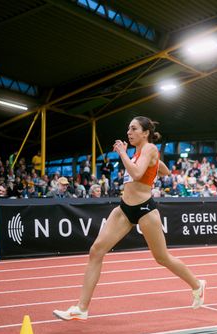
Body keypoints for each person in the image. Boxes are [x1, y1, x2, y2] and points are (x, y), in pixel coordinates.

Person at [54, 116, 205, 321]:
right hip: (124, 209)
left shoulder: (150, 148)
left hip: (145, 210)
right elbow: (164, 170)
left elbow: (135, 173)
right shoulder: (139, 153)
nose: (129, 132)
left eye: (133, 129)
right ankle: (82, 308)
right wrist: (155, 166)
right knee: (96, 251)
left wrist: (124, 154)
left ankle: (197, 284)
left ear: (145, 133)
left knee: (162, 258)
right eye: (128, 129)